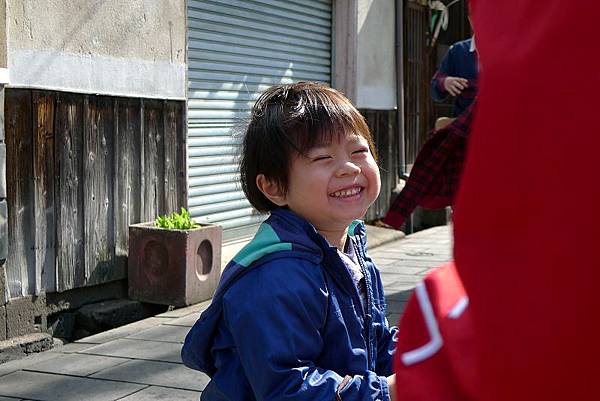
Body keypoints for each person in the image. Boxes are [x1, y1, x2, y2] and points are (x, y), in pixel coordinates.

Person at [393, 0, 600, 400]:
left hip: (508, 144)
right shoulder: (460, 52)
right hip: (476, 141)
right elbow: (437, 83)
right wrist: (445, 84)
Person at [181, 82, 398, 401]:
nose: (349, 167)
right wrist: (387, 392)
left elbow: (375, 340)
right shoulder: (274, 278)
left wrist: (426, 360)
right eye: (323, 157)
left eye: (358, 151)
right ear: (274, 188)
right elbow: (288, 388)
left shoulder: (353, 250)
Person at [430, 30, 478, 118]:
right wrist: (445, 82)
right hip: (464, 126)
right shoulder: (458, 51)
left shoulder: (507, 51)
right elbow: (434, 89)